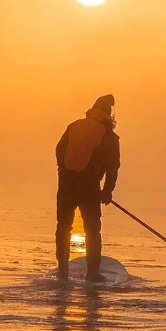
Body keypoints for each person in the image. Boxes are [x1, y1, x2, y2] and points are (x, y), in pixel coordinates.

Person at [55, 94, 120, 282]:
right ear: (109, 115)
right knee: (92, 230)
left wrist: (64, 171)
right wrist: (107, 191)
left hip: (66, 184)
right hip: (89, 187)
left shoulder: (74, 126)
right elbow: (113, 167)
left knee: (63, 227)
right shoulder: (109, 137)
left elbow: (59, 150)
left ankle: (63, 273)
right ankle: (92, 274)